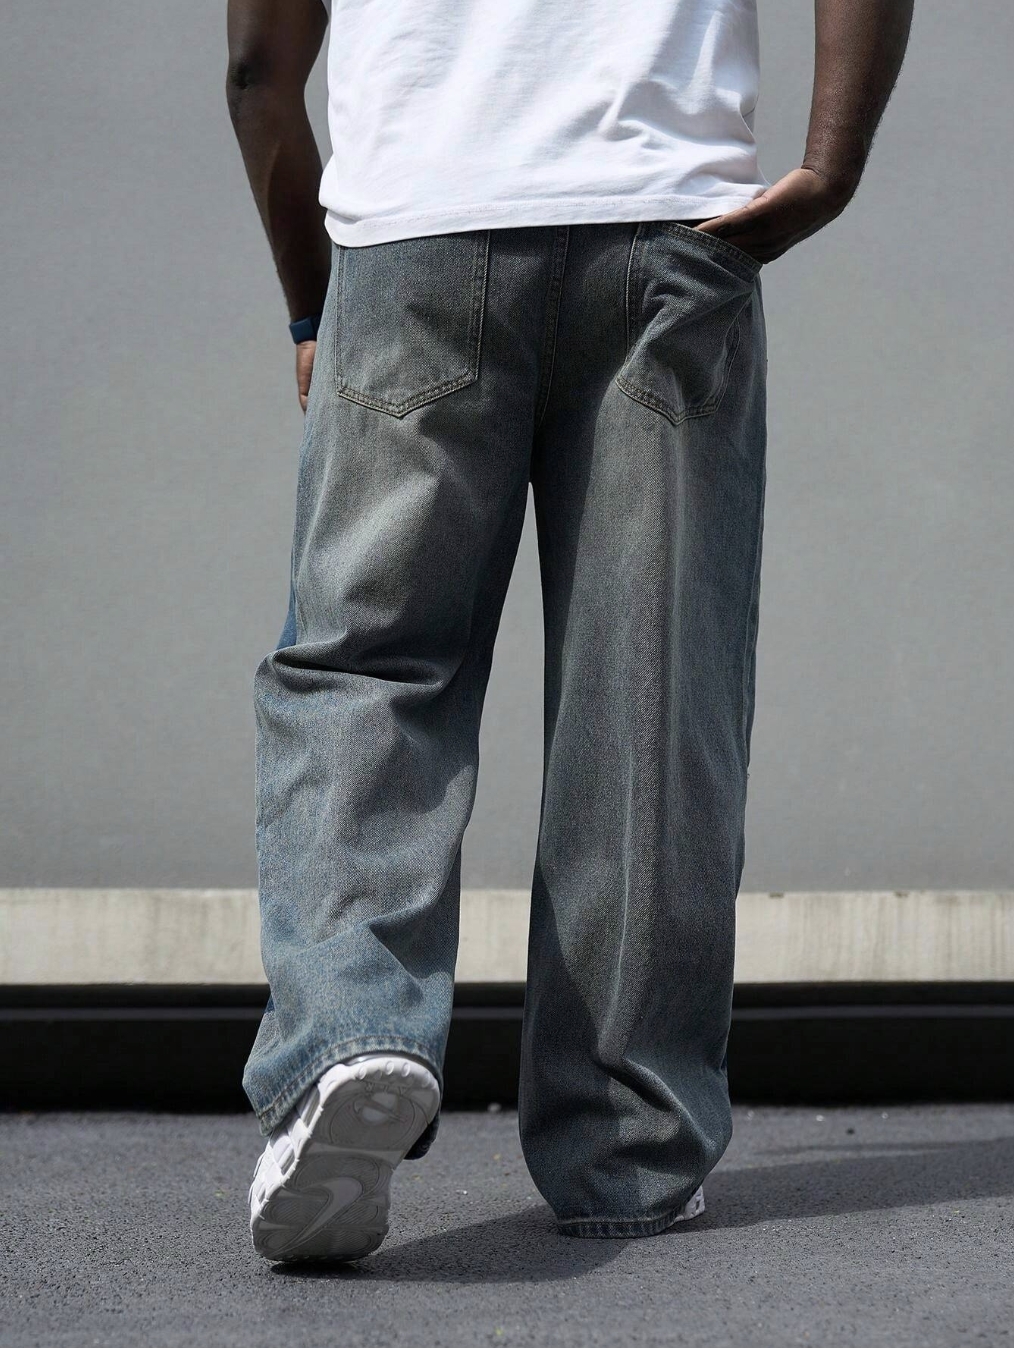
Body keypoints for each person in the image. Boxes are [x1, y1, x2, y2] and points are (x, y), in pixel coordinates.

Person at [226, 0, 913, 1264]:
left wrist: (311, 307)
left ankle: (346, 1042)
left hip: (417, 222)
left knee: (371, 664)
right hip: (671, 223)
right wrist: (832, 164)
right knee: (650, 689)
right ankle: (626, 1147)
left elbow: (260, 65)